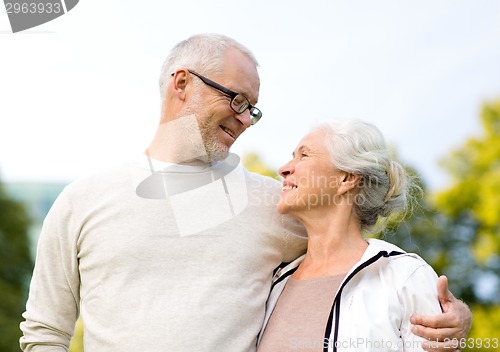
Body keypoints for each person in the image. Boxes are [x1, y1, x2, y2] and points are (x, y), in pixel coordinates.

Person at [20, 34, 471, 352]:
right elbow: (44, 333)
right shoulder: (83, 200)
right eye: (236, 100)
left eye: (252, 110)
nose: (244, 120)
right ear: (182, 84)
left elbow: (363, 260)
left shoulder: (275, 204)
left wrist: (453, 318)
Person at [257, 119, 469, 352]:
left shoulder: (404, 277)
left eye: (303, 156)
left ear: (347, 178)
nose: (284, 168)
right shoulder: (274, 283)